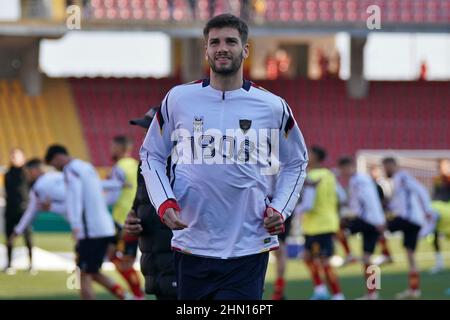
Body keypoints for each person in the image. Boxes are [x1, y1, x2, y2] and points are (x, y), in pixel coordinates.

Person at [139, 14, 308, 300]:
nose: (222, 48)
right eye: (214, 42)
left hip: (248, 246)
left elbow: (296, 162)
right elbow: (151, 155)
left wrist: (280, 208)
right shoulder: (179, 99)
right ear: (205, 50)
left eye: (231, 41)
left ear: (245, 49)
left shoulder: (272, 106)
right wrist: (164, 202)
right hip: (191, 242)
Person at [45, 145, 126, 300]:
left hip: (91, 231)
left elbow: (74, 199)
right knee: (92, 272)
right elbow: (97, 186)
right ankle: (126, 296)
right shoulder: (86, 166)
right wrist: (118, 184)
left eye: (54, 165)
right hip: (106, 228)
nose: (56, 169)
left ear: (58, 158)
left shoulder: (70, 170)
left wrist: (75, 226)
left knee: (83, 275)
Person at [124, 108, 178, 300]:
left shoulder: (186, 165)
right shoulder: (145, 164)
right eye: (145, 131)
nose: (145, 136)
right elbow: (139, 205)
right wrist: (132, 220)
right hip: (153, 264)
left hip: (178, 264)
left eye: (150, 130)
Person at [295, 146, 344, 300]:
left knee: (323, 261)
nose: (306, 155)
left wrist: (296, 211)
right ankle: (321, 289)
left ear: (315, 157)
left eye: (309, 153)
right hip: (326, 223)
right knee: (307, 257)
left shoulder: (311, 176)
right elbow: (342, 197)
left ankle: (337, 295)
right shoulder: (329, 174)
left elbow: (308, 205)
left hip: (317, 225)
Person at [382, 157, 435, 299]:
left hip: (409, 219)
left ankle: (386, 255)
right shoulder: (398, 180)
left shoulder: (403, 177)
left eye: (387, 167)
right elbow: (401, 201)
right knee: (410, 255)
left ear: (393, 165)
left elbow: (421, 190)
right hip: (410, 220)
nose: (385, 170)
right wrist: (390, 205)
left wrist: (428, 210)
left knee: (378, 226)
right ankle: (414, 289)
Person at [337, 157, 386, 300]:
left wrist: (378, 220)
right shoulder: (358, 180)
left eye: (345, 168)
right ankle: (373, 293)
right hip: (370, 220)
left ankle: (349, 254)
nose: (343, 172)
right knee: (367, 258)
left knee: (337, 228)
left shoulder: (359, 180)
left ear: (351, 167)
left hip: (368, 221)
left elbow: (370, 201)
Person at [102, 135, 144, 299]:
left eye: (113, 147)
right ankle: (135, 294)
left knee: (116, 257)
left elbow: (112, 196)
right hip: (135, 216)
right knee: (122, 257)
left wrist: (98, 200)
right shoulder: (135, 165)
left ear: (120, 148)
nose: (111, 150)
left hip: (121, 220)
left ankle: (136, 294)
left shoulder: (119, 168)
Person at [8, 159, 66, 252]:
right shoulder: (57, 176)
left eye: (27, 172)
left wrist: (16, 232)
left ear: (34, 170)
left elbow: (30, 213)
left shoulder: (40, 186)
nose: (26, 175)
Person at [3, 148, 32, 274]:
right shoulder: (7, 174)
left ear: (23, 157)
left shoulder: (27, 173)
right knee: (9, 237)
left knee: (28, 237)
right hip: (10, 210)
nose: (13, 158)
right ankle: (9, 264)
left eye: (16, 156)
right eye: (12, 155)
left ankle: (31, 264)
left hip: (24, 210)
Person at [429, 159, 450, 273]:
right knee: (434, 236)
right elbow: (435, 195)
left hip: (448, 213)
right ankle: (439, 262)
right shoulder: (437, 180)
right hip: (438, 213)